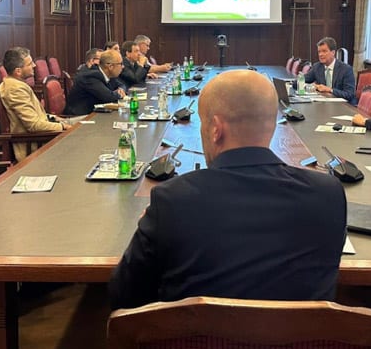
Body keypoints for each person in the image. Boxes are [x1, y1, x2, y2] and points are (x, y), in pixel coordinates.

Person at [109, 69, 347, 310]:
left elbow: (124, 294)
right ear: (273, 123)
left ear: (215, 128)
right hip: (300, 345)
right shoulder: (328, 193)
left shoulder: (172, 200)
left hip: (193, 347)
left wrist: (152, 231)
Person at [0, 47, 70, 161]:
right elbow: (33, 125)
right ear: (18, 71)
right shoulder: (15, 89)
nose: (34, 65)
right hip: (34, 146)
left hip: (41, 140)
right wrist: (63, 126)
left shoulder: (15, 84)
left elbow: (36, 117)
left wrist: (55, 119)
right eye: (30, 64)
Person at [64, 49, 126, 115]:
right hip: (80, 117)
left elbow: (122, 85)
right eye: (120, 64)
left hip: (94, 113)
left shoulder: (108, 74)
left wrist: (121, 89)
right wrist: (120, 94)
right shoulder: (91, 76)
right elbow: (108, 97)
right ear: (110, 66)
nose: (123, 67)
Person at [302, 37, 355, 101]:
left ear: (333, 52)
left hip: (342, 106)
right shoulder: (317, 67)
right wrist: (311, 86)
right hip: (323, 105)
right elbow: (298, 82)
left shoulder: (346, 69)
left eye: (324, 51)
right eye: (319, 52)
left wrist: (330, 90)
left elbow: (349, 94)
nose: (320, 54)